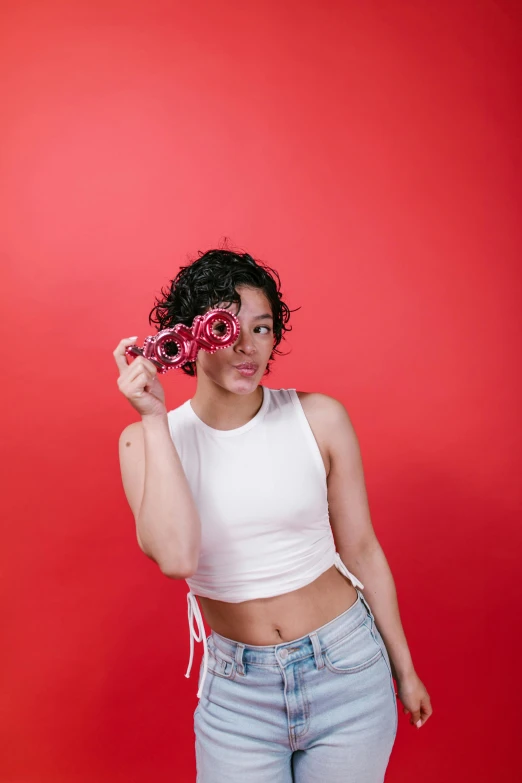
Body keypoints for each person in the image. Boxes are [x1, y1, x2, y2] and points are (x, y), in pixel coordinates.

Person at [113, 248, 432, 782]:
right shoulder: (144, 442)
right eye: (225, 328)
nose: (246, 347)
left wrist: (405, 668)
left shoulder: (320, 419)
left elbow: (362, 549)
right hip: (239, 694)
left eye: (262, 329)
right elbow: (176, 557)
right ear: (190, 337)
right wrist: (151, 418)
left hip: (348, 669)